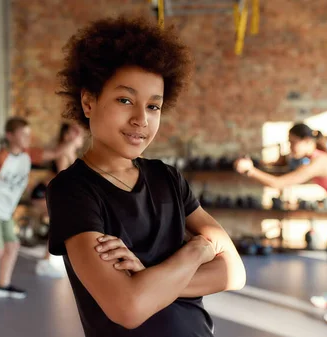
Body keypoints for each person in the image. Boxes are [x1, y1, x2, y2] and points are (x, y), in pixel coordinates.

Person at [46, 16, 246, 337]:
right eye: (125, 100)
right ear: (88, 101)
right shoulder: (72, 191)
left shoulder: (168, 178)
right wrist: (197, 251)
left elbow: (234, 273)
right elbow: (129, 308)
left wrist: (150, 278)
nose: (141, 119)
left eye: (154, 106)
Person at [234, 123, 327, 329]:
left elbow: (280, 184)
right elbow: (281, 164)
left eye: (293, 143)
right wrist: (257, 163)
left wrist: (251, 171)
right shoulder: (312, 158)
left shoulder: (319, 162)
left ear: (307, 142)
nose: (290, 147)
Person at [0, 116, 74, 316]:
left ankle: (3, 285)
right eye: (23, 133)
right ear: (10, 136)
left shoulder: (28, 155)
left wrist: (74, 138)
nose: (28, 137)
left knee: (13, 246)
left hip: (5, 210)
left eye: (28, 133)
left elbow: (54, 152)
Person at [32, 122, 85, 277]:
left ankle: (48, 261)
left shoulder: (69, 151)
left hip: (47, 192)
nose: (80, 135)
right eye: (76, 133)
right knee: (61, 225)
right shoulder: (64, 151)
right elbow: (64, 177)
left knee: (64, 225)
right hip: (43, 193)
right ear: (67, 136)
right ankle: (45, 262)